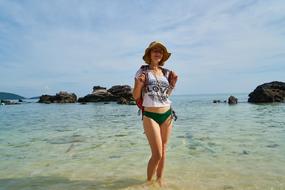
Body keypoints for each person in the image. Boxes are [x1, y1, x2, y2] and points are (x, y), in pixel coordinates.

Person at [132, 41, 178, 186]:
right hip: (150, 115)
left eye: (160, 51)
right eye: (155, 50)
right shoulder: (142, 71)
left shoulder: (166, 73)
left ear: (163, 55)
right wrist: (139, 84)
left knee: (163, 151)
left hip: (167, 114)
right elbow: (135, 96)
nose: (157, 53)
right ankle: (148, 182)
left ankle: (159, 180)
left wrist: (172, 84)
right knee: (157, 154)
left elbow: (167, 95)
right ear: (149, 54)